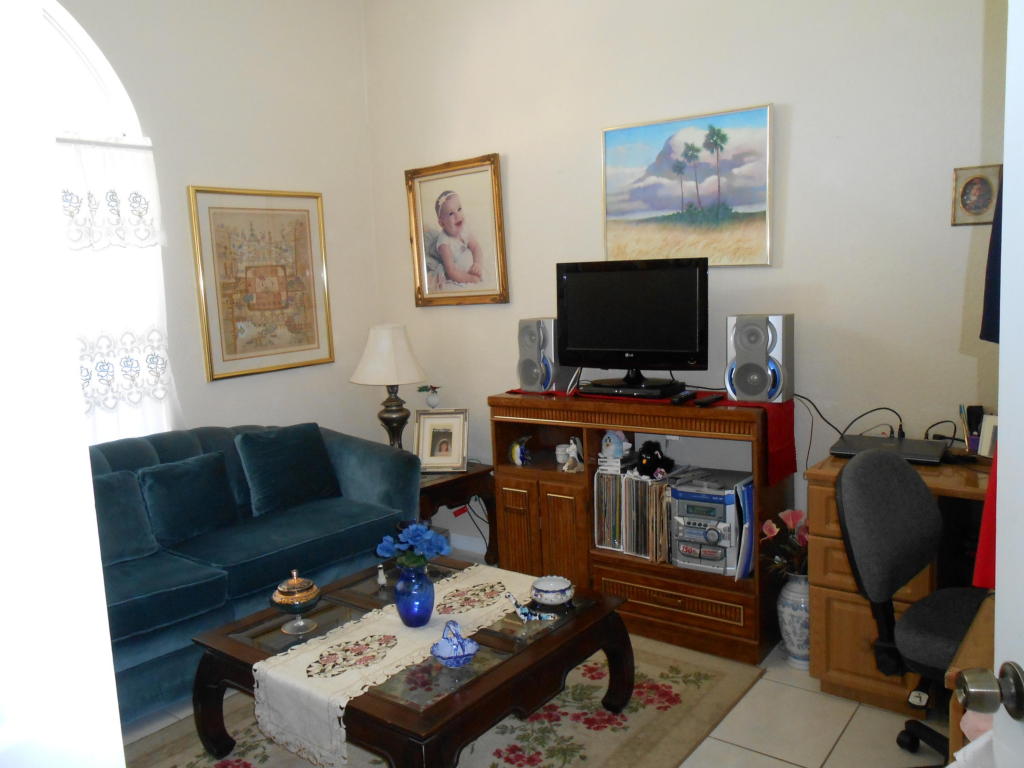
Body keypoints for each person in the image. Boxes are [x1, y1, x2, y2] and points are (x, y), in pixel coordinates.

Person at [433, 190, 483, 284]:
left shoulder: (464, 230)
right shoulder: (444, 244)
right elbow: (451, 271)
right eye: (451, 213)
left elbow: (476, 247)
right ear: (442, 223)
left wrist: (477, 263)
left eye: (459, 209)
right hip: (456, 271)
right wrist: (470, 279)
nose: (457, 215)